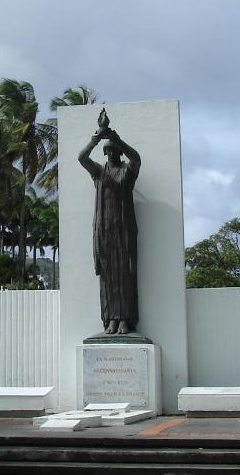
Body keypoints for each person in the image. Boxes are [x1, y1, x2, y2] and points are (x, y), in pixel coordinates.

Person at [78, 111, 141, 335]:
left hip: (124, 230)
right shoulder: (98, 172)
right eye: (108, 151)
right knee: (107, 277)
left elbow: (136, 159)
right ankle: (111, 319)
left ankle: (124, 318)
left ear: (119, 152)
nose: (111, 154)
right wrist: (96, 138)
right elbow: (82, 158)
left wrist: (116, 139)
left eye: (114, 151)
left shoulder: (128, 171)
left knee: (125, 275)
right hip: (104, 231)